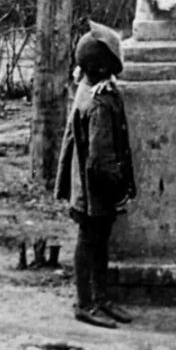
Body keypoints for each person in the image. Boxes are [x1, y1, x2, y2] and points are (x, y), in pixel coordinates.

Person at [55, 20, 136, 329]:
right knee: (90, 242)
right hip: (95, 190)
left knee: (96, 242)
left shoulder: (88, 88)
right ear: (105, 68)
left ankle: (100, 299)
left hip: (86, 188)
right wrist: (118, 188)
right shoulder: (100, 104)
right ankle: (86, 303)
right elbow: (101, 160)